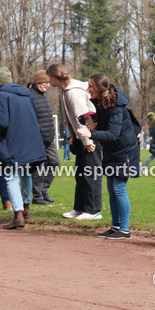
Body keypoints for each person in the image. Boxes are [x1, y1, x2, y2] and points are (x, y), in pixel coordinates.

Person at [77, 73, 140, 239]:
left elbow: (113, 134)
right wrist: (90, 119)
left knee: (119, 188)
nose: (88, 89)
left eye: (90, 86)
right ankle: (116, 226)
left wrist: (91, 133)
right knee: (112, 190)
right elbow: (106, 124)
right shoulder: (101, 102)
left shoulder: (116, 107)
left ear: (99, 88)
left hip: (124, 152)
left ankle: (124, 230)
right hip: (113, 151)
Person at [0, 67, 46, 230]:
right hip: (31, 139)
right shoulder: (26, 94)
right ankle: (26, 206)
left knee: (11, 177)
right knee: (26, 173)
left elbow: (3, 122)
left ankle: (18, 215)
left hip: (13, 140)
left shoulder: (1, 95)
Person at [48, 63, 103, 221]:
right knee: (80, 174)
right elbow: (70, 118)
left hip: (90, 137)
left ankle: (93, 211)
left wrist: (87, 141)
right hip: (80, 137)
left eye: (50, 79)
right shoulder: (65, 91)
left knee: (90, 174)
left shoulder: (73, 92)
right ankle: (79, 208)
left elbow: (83, 117)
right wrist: (71, 135)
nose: (50, 83)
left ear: (54, 78)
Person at [26, 70, 58, 205]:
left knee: (55, 162)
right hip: (37, 139)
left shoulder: (43, 94)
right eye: (46, 83)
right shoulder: (30, 96)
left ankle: (44, 190)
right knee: (38, 167)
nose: (48, 85)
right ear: (39, 82)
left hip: (49, 138)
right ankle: (37, 196)